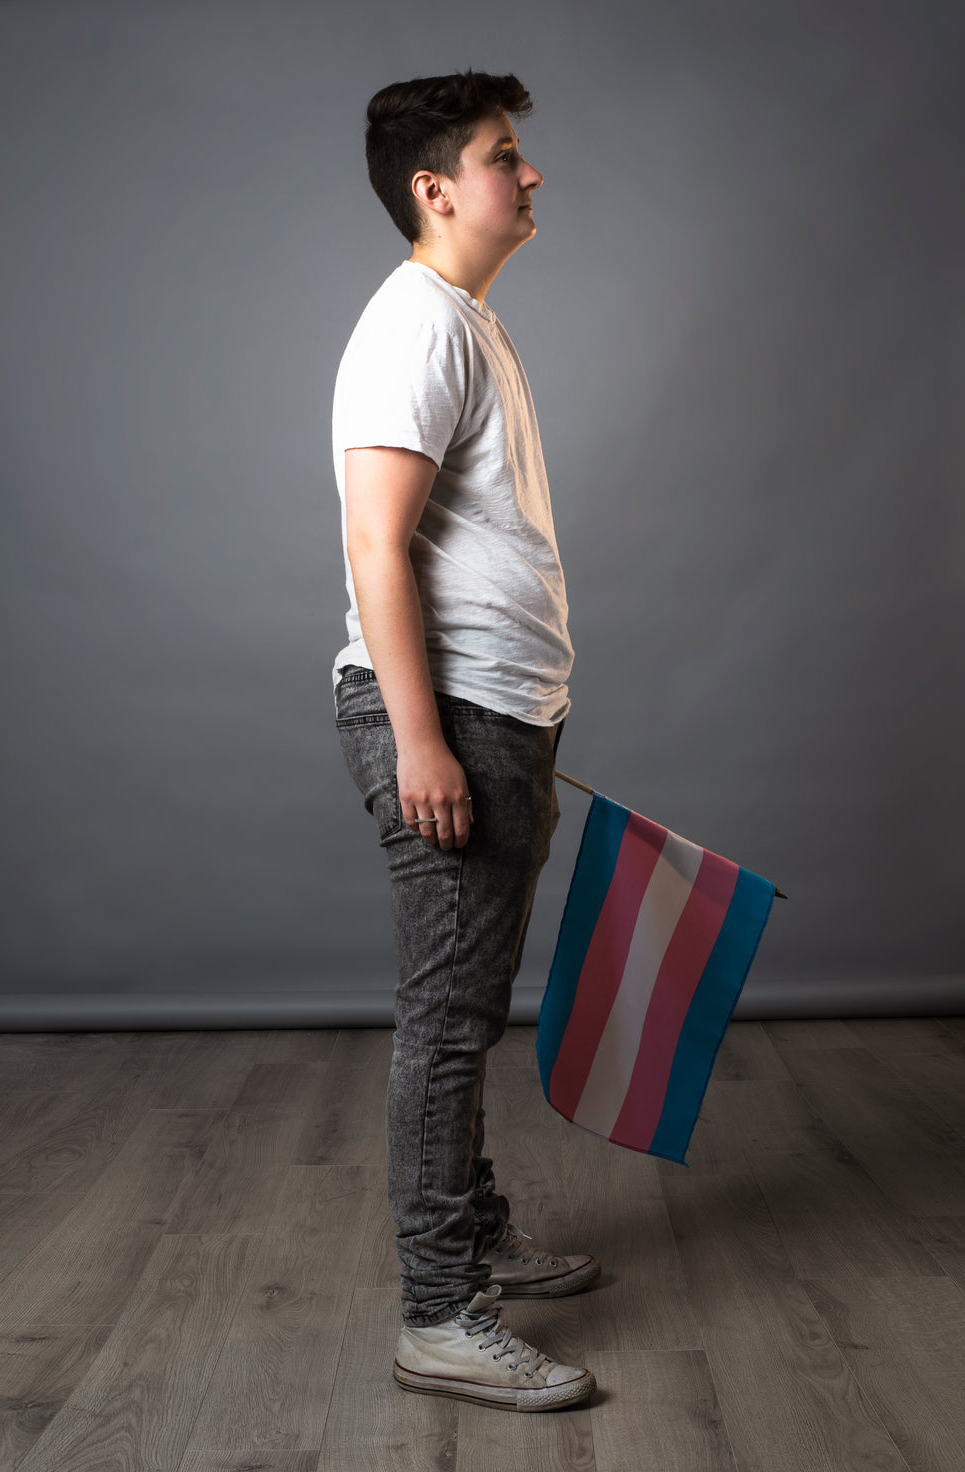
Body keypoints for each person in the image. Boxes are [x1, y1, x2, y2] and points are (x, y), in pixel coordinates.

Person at [331, 70, 599, 1413]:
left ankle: (476, 1235)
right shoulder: (415, 326)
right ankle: (440, 1314)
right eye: (507, 156)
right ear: (438, 190)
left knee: (470, 1008)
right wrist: (426, 742)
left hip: (499, 716)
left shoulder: (464, 322)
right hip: (447, 720)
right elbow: (375, 541)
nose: (530, 175)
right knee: (445, 1022)